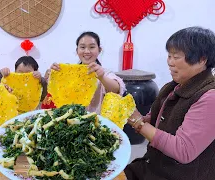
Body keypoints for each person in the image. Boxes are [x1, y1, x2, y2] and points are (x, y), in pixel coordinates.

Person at [125, 26, 215, 180]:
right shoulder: (174, 86)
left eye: (176, 56)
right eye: (169, 56)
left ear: (202, 60)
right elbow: (156, 119)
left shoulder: (209, 97)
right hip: (152, 164)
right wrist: (138, 118)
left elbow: (183, 150)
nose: (170, 63)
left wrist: (139, 123)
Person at [50, 31, 126, 113]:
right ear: (77, 50)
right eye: (82, 47)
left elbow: (116, 89)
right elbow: (58, 93)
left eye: (92, 47)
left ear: (99, 50)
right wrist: (54, 75)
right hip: (71, 118)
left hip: (96, 121)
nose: (87, 51)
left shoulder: (104, 73)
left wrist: (102, 77)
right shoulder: (68, 73)